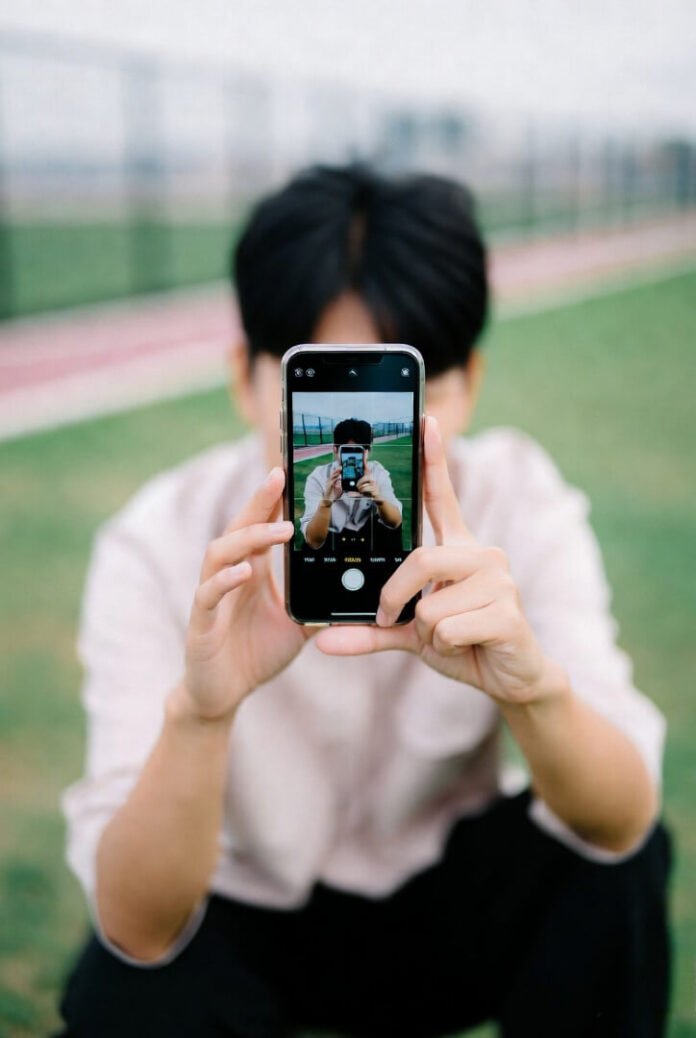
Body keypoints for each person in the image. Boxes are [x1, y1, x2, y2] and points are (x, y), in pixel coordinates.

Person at [56, 164, 673, 1038]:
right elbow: (137, 930)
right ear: (244, 378)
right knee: (123, 983)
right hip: (246, 919)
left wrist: (533, 690)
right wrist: (201, 714)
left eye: (404, 388)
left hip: (447, 909)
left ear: (467, 383)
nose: (368, 437)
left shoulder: (517, 498)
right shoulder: (158, 538)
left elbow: (624, 822)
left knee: (608, 858)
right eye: (317, 380)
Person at [301, 417, 403, 553]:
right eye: (347, 451)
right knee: (311, 542)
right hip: (331, 537)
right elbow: (312, 540)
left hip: (366, 534)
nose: (353, 460)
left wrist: (378, 498)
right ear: (335, 450)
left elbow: (396, 522)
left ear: (368, 452)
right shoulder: (319, 476)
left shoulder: (377, 472)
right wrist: (326, 503)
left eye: (359, 452)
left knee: (389, 526)